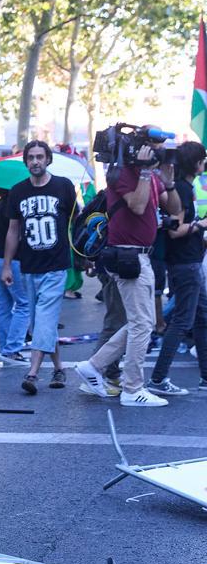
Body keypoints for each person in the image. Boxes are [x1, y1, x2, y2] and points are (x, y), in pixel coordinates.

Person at [75, 138, 181, 406]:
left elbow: (175, 208)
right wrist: (146, 172)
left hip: (143, 256)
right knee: (141, 324)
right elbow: (136, 205)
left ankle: (93, 366)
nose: (157, 151)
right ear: (137, 149)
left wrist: (167, 180)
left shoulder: (151, 176)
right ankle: (132, 389)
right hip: (127, 255)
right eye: (152, 146)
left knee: (139, 323)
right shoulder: (120, 173)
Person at [2, 140, 78, 395]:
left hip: (56, 265)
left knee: (44, 317)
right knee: (40, 323)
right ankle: (59, 368)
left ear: (48, 160)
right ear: (26, 162)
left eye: (40, 157)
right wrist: (6, 265)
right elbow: (13, 230)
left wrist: (82, 256)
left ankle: (33, 373)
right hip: (30, 266)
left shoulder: (64, 187)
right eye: (31, 157)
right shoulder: (17, 191)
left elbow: (74, 223)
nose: (35, 161)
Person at [146, 141, 207, 395]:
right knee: (182, 321)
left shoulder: (185, 187)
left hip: (189, 261)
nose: (205, 163)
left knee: (202, 317)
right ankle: (158, 378)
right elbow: (176, 230)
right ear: (195, 162)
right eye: (202, 159)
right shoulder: (181, 188)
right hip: (185, 263)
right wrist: (201, 225)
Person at [0, 186, 30, 362]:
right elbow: (16, 234)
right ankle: (13, 348)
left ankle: (6, 348)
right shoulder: (13, 206)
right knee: (23, 304)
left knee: (3, 305)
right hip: (9, 260)